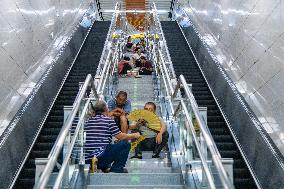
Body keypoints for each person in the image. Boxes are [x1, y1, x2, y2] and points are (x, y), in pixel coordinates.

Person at [85, 101, 140, 173]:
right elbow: (121, 136)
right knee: (125, 144)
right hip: (101, 157)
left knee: (106, 146)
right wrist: (134, 135)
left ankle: (102, 166)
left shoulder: (88, 121)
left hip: (87, 158)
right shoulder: (108, 120)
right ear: (106, 110)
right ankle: (117, 168)